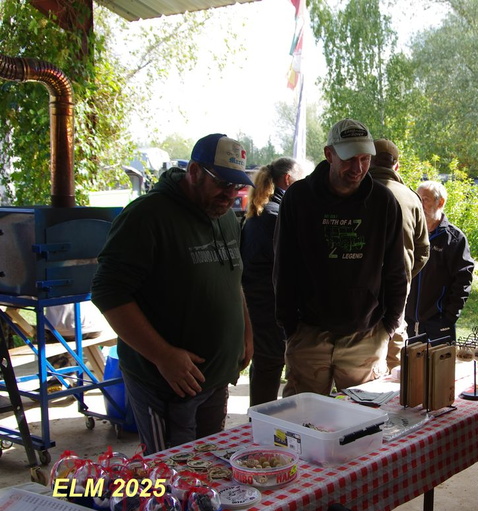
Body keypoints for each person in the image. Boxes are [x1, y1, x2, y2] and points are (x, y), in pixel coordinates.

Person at [91, 133, 254, 454]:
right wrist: (163, 355)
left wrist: (246, 333)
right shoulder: (147, 216)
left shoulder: (225, 217)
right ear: (194, 172)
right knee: (169, 474)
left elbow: (232, 279)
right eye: (222, 183)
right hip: (165, 384)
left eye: (237, 185)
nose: (230, 194)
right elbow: (108, 292)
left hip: (215, 379)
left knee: (208, 466)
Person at [273, 118, 407, 396]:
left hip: (366, 335)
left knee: (362, 417)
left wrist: (388, 326)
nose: (357, 168)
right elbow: (284, 266)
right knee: (303, 416)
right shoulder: (299, 197)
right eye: (349, 159)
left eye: (365, 159)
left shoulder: (383, 201)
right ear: (329, 154)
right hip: (309, 334)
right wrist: (290, 327)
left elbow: (397, 269)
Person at [241, 158, 304, 406]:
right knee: (269, 366)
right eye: (301, 179)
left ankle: (259, 418)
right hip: (268, 304)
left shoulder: (263, 211)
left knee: (265, 366)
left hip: (258, 302)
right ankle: (261, 422)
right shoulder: (275, 215)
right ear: (288, 179)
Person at [368, 139, 430, 370]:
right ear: (396, 166)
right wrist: (404, 273)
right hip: (398, 286)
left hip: (359, 286)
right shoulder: (411, 197)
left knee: (357, 346)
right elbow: (423, 250)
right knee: (395, 337)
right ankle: (394, 382)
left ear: (369, 160)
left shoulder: (354, 192)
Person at [405, 180, 474, 342]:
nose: (420, 204)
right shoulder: (409, 232)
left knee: (440, 360)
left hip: (439, 322)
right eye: (417, 199)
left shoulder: (454, 239)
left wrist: (448, 317)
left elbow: (463, 281)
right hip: (406, 321)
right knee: (407, 359)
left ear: (440, 202)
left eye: (425, 199)